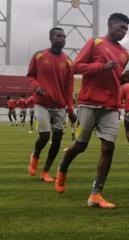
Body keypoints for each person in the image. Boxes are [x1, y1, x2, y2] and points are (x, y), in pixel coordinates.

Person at [55, 13, 129, 209]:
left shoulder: (125, 53)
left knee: (109, 147)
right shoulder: (95, 42)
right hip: (89, 103)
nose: (124, 32)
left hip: (111, 107)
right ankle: (62, 167)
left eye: (126, 29)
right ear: (110, 24)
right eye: (121, 27)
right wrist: (102, 66)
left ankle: (96, 194)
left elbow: (115, 78)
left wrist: (123, 79)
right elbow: (76, 67)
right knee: (80, 146)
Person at [26, 27, 76, 182]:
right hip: (42, 104)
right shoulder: (39, 56)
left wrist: (70, 109)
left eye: (63, 36)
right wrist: (36, 86)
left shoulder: (68, 62)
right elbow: (30, 76)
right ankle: (35, 155)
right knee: (45, 135)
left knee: (58, 139)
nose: (61, 38)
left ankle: (46, 171)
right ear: (51, 38)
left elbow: (69, 88)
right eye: (58, 36)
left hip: (60, 106)